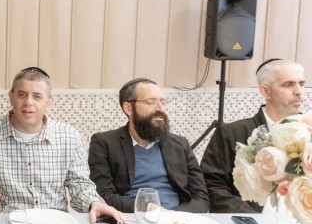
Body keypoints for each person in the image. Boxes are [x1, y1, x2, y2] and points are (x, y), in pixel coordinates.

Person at [0, 67, 121, 223]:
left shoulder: (70, 137)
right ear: (11, 96)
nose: (28, 102)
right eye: (22, 94)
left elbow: (80, 185)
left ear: (49, 102)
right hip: (5, 223)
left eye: (37, 96)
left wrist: (94, 203)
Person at [88, 78, 209, 213]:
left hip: (178, 219)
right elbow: (103, 196)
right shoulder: (105, 143)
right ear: (128, 108)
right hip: (130, 217)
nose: (160, 108)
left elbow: (201, 197)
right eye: (151, 102)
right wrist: (146, 208)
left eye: (162, 102)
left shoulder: (180, 144)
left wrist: (174, 216)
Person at [202, 59, 306, 212]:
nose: (299, 91)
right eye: (288, 84)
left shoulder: (308, 130)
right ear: (265, 91)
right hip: (249, 219)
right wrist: (251, 217)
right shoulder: (231, 133)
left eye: (301, 84)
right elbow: (212, 185)